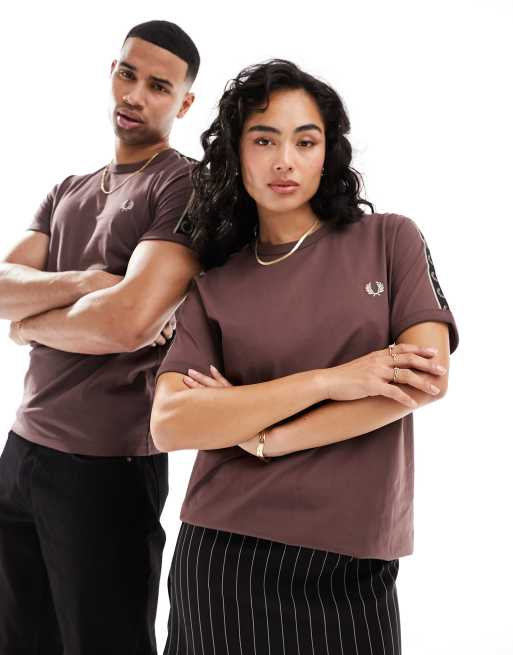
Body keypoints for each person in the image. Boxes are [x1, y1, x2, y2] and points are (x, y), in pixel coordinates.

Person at [150, 60, 459, 655]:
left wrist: (267, 437)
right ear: (237, 154)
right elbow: (170, 423)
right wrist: (330, 381)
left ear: (327, 153)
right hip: (226, 558)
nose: (284, 161)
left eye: (305, 141)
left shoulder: (389, 239)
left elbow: (426, 377)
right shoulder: (216, 284)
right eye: (264, 140)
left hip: (357, 564)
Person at [0, 20, 201, 655]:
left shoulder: (182, 184)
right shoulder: (69, 189)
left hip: (108, 466)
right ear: (111, 73)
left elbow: (128, 321)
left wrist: (30, 322)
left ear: (185, 103)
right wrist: (87, 281)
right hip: (21, 453)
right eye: (127, 74)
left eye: (159, 86)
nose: (135, 95)